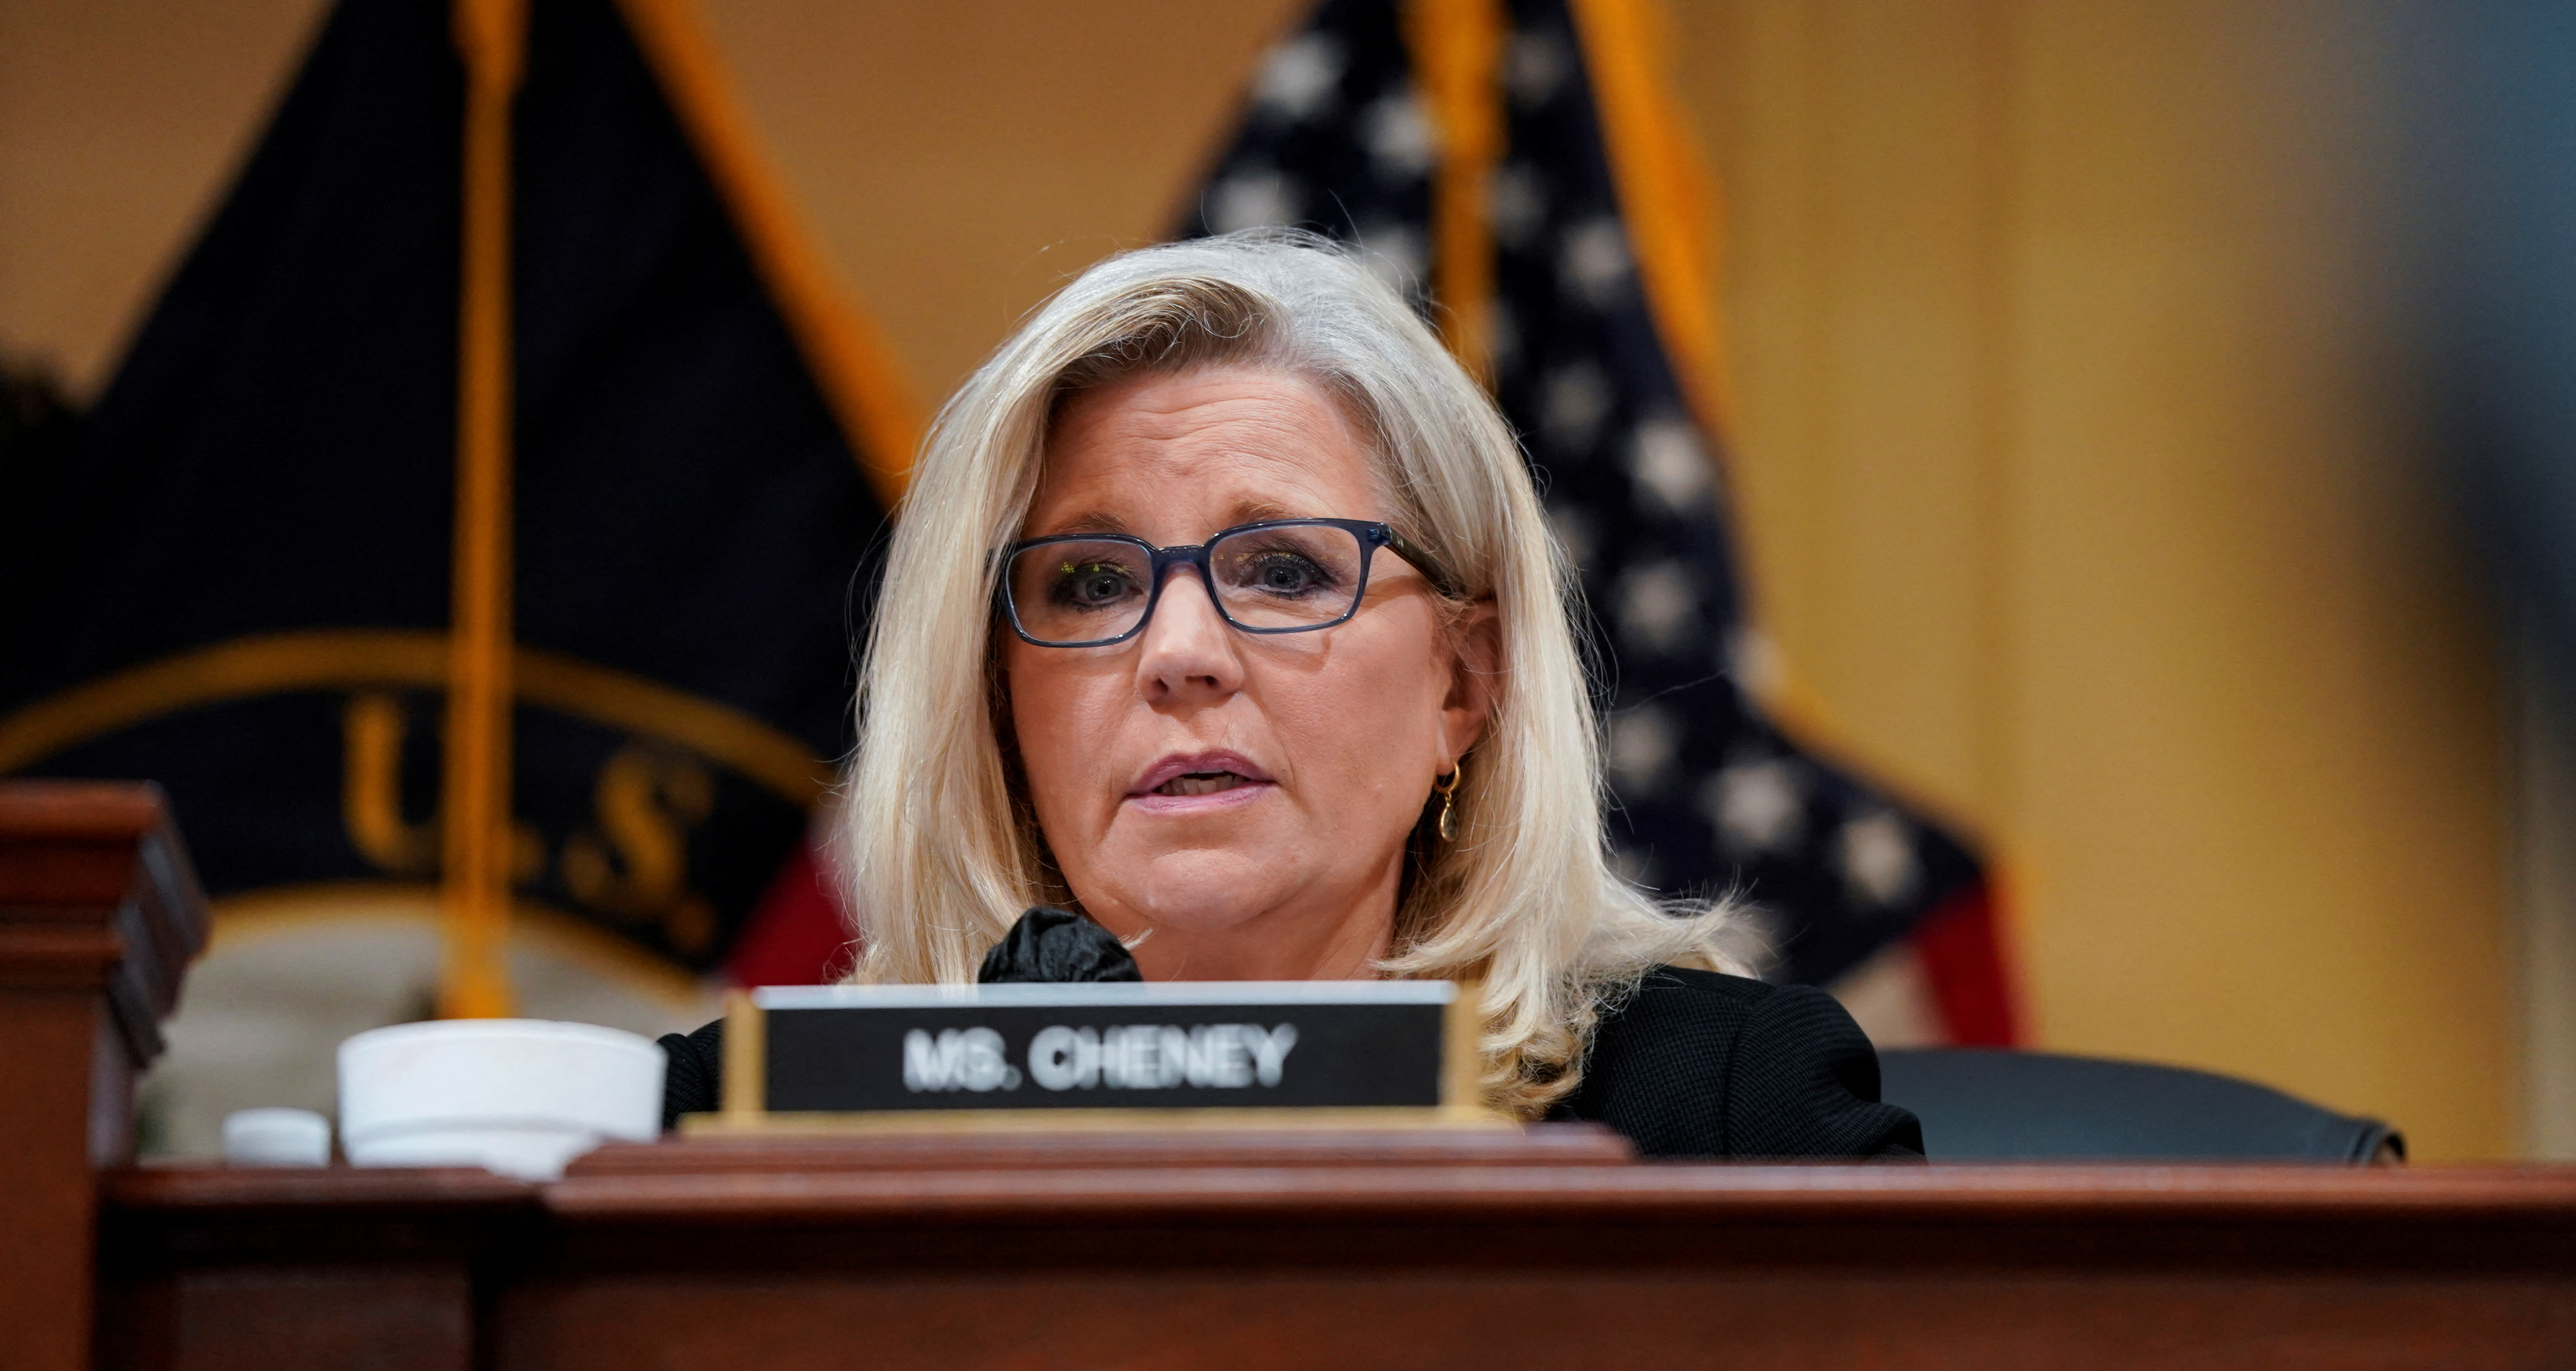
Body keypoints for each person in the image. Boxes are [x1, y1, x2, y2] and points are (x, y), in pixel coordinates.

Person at [663, 233, 1921, 1157]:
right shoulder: (735, 1126)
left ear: (1463, 685)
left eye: (1281, 570)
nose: (1179, 652)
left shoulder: (1724, 1116)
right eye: (1093, 582)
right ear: (996, 705)